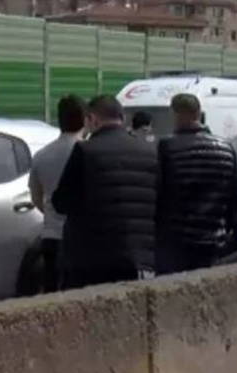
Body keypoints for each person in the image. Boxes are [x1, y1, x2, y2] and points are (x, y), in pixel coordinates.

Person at [53, 95, 160, 286]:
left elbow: (61, 202)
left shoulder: (86, 151)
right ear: (123, 119)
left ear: (92, 119)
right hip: (139, 257)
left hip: (91, 259)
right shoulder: (150, 151)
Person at [156, 93, 237, 274]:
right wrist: (226, 230)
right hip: (213, 242)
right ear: (198, 112)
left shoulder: (166, 147)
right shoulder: (226, 148)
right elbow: (235, 198)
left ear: (176, 114)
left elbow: (159, 193)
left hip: (176, 243)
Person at [27, 95, 86, 293]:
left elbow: (36, 197)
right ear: (85, 119)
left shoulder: (42, 155)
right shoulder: (89, 153)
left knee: (52, 293)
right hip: (80, 238)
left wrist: (51, 213)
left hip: (51, 235)